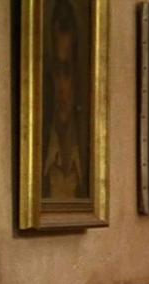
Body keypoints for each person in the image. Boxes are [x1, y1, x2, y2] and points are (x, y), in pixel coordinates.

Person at [42, 0, 86, 199]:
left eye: (66, 73)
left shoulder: (86, 162)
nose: (59, 87)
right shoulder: (40, 157)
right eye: (56, 73)